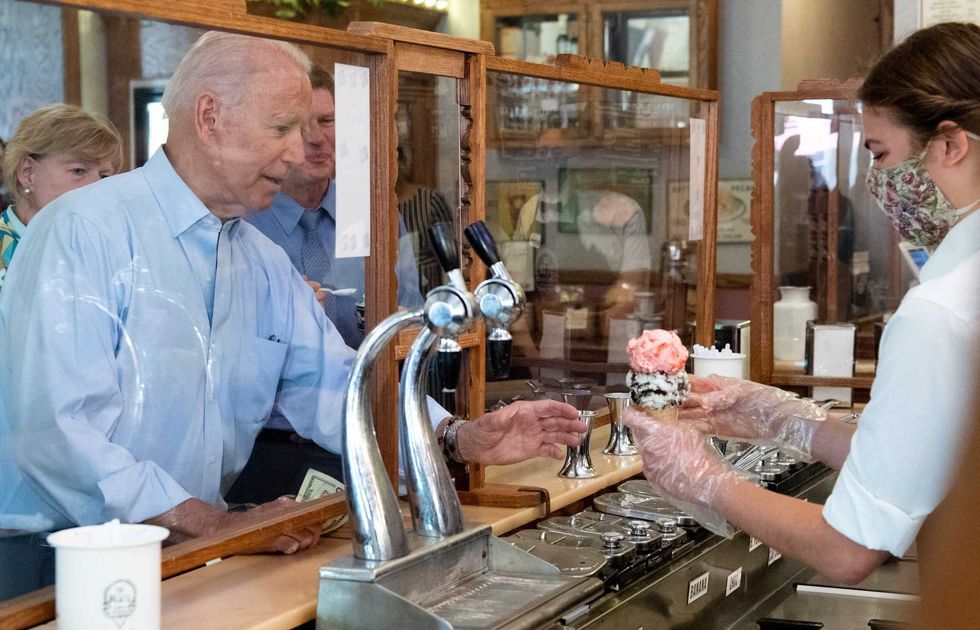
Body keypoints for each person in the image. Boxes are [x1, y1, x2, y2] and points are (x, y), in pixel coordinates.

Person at [0, 31, 585, 598]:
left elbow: (334, 383)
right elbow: (57, 431)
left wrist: (458, 437)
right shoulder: (83, 229)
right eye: (282, 128)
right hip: (53, 559)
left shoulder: (259, 259)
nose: (298, 152)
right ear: (209, 117)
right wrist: (213, 523)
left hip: (186, 552)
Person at [624, 21, 980, 585]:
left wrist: (705, 478)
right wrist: (783, 419)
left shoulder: (941, 310)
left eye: (880, 154)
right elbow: (921, 451)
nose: (877, 179)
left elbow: (847, 550)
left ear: (951, 145)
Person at [246, 65, 422, 350]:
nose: (317, 138)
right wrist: (278, 320)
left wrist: (405, 325)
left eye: (327, 120)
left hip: (372, 376)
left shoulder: (375, 215)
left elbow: (415, 321)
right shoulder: (245, 222)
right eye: (302, 125)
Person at [0, 103, 122, 292]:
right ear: (28, 173)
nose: (98, 186)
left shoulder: (107, 246)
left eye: (104, 176)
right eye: (79, 171)